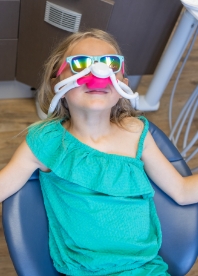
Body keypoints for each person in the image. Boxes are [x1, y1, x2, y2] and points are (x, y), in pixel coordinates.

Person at [0, 29, 198, 276]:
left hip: (144, 270)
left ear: (123, 84)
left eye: (111, 64)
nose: (98, 72)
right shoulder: (46, 142)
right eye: (81, 63)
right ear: (57, 83)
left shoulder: (136, 133)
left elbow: (181, 191)